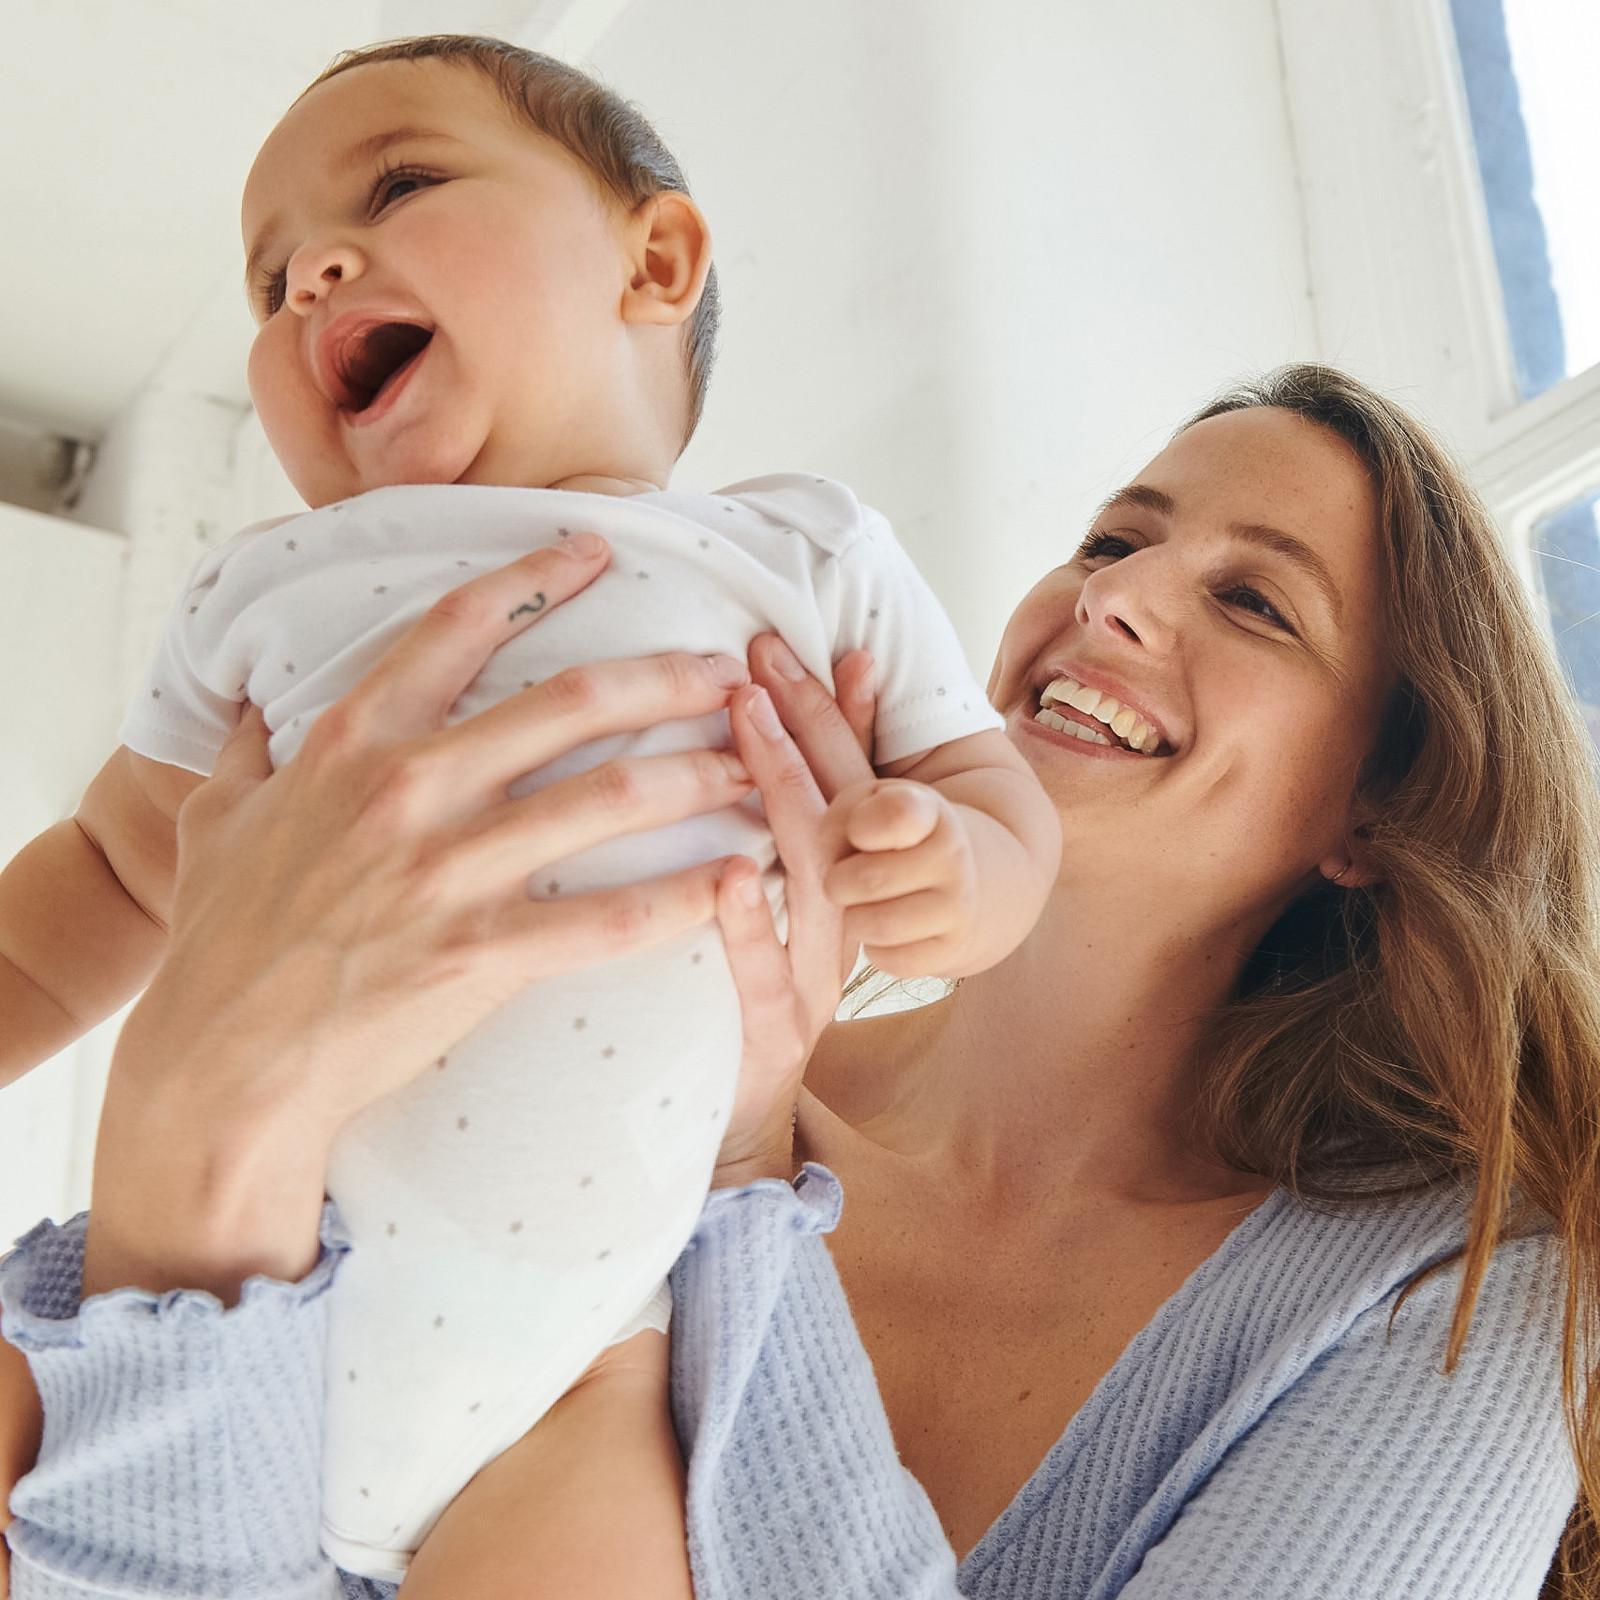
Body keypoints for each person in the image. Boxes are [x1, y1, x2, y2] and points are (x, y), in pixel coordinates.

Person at [4, 362, 1595, 1599]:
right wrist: (201, 1093)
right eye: (1115, 536)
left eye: (1253, 600)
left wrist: (750, 1181)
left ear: (1381, 801)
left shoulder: (1456, 1306)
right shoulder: (601, 1051)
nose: (1111, 593)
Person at [0, 33, 1061, 1591]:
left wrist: (954, 874)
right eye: (269, 270)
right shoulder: (266, 592)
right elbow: (106, 867)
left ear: (658, 256)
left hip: (581, 1365)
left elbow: (988, 792)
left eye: (404, 182)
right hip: (249, 1272)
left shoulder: (803, 550)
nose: (311, 273)